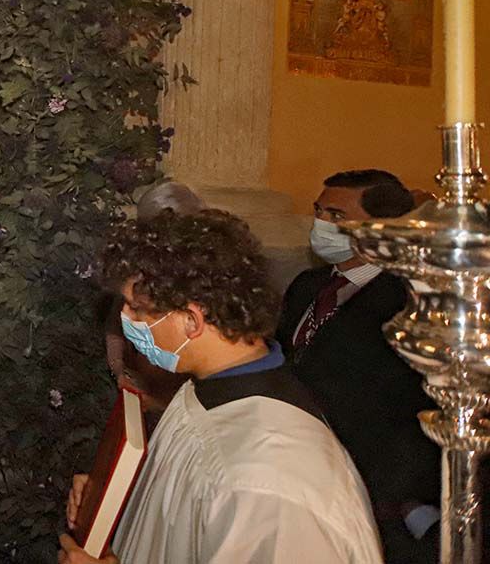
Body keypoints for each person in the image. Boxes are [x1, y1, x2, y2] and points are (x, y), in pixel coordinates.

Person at [60, 210, 382, 564]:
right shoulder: (203, 389)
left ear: (191, 321)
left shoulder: (270, 483)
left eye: (137, 310)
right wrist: (109, 502)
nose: (126, 321)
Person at [277, 169, 440, 563]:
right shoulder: (308, 285)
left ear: (381, 227)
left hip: (377, 485)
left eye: (337, 216)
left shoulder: (410, 302)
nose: (322, 225)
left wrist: (392, 491)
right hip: (297, 462)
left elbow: (412, 402)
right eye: (319, 212)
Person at [100, 182, 202, 419]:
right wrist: (120, 371)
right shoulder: (138, 273)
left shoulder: (203, 286)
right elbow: (115, 324)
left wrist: (163, 406)